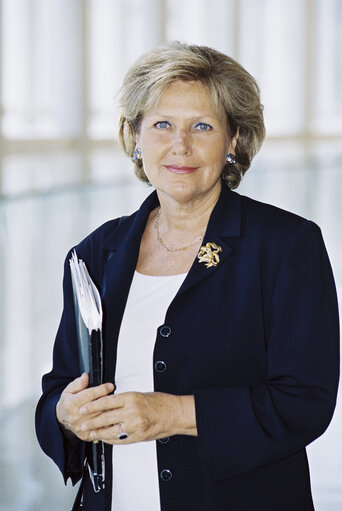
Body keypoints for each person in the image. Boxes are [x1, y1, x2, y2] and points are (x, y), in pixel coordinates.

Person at [35, 42, 339, 511]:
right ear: (135, 136)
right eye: (161, 125)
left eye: (202, 126)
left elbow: (305, 400)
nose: (180, 145)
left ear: (234, 140)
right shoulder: (95, 252)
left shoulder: (286, 246)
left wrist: (170, 414)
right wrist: (64, 412)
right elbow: (58, 385)